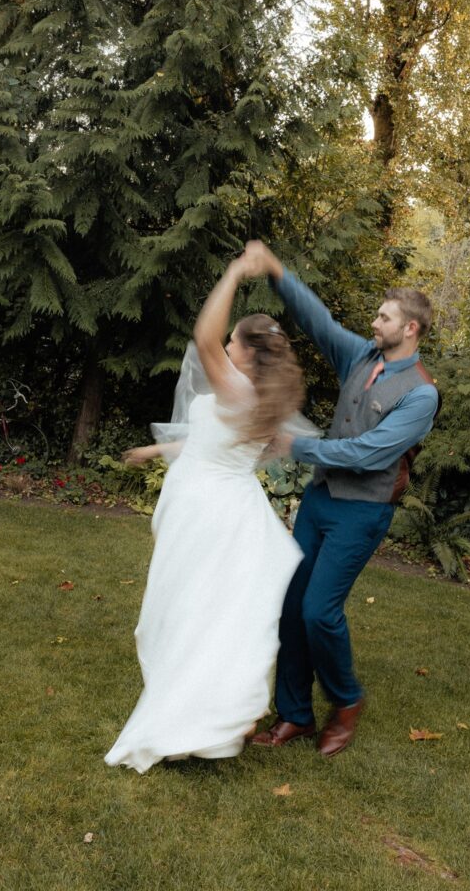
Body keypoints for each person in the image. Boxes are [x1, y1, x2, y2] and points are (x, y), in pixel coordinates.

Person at [105, 253, 307, 773]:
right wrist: (154, 451)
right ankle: (219, 714)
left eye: (234, 342)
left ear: (245, 349)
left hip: (204, 511)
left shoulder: (237, 387)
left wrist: (236, 272)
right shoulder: (264, 401)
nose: (227, 349)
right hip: (234, 511)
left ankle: (187, 719)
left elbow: (201, 336)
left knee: (185, 611)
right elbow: (213, 444)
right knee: (213, 613)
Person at [244, 240, 440, 757]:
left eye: (384, 317)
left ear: (410, 329)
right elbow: (319, 321)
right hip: (321, 500)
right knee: (290, 606)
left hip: (363, 511)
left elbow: (371, 452)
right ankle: (294, 716)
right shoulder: (361, 356)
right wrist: (276, 270)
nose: (374, 323)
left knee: (318, 612)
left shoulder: (421, 394)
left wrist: (299, 445)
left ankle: (346, 701)